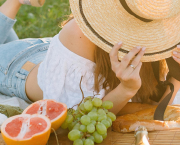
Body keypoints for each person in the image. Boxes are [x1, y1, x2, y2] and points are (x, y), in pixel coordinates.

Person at [0, 0, 180, 116]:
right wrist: (126, 89)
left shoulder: (164, 28)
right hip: (18, 67)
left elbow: (155, 111)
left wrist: (177, 74)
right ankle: (14, 2)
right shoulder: (78, 33)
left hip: (61, 54)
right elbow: (79, 119)